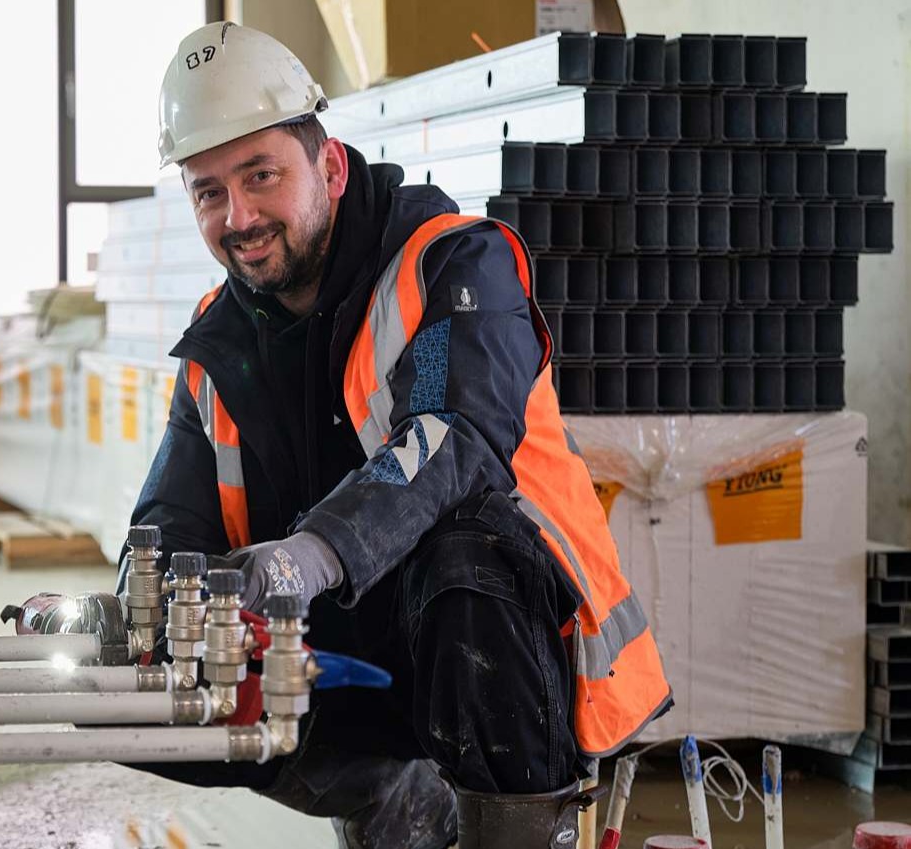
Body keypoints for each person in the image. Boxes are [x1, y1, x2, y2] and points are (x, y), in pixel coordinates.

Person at [122, 22, 672, 849]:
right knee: (152, 669)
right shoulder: (217, 344)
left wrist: (305, 554)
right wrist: (140, 593)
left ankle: (512, 828)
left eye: (261, 175)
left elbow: (452, 435)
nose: (238, 216)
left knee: (468, 556)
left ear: (331, 167)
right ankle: (396, 794)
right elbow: (173, 517)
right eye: (208, 191)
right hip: (349, 667)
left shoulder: (450, 268)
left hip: (502, 659)